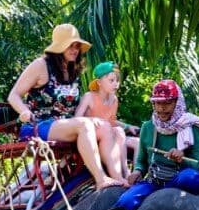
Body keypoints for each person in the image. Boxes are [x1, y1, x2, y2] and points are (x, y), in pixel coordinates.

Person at [7, 24, 127, 190]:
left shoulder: (72, 70)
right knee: (85, 124)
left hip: (66, 125)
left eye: (77, 45)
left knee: (105, 126)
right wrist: (24, 111)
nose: (75, 49)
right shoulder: (40, 65)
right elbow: (13, 95)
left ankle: (119, 178)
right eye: (70, 45)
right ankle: (101, 179)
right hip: (39, 125)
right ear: (59, 46)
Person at [114, 80, 199, 210]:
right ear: (153, 103)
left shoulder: (192, 127)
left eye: (167, 103)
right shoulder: (148, 127)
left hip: (179, 180)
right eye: (158, 103)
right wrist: (137, 172)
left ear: (177, 103)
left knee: (192, 178)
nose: (161, 108)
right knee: (124, 203)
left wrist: (181, 158)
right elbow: (141, 162)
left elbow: (197, 167)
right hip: (154, 182)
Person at [75, 61, 133, 181]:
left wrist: (127, 126)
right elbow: (77, 118)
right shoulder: (89, 97)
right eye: (111, 81)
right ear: (99, 82)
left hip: (107, 133)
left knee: (119, 131)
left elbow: (111, 121)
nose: (115, 84)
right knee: (113, 130)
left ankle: (125, 172)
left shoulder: (114, 99)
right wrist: (91, 119)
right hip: (89, 134)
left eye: (117, 81)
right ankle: (115, 175)